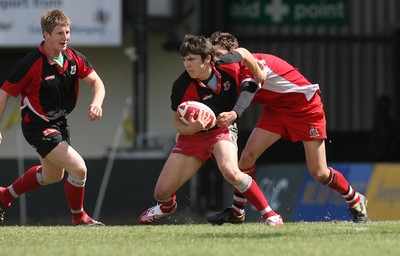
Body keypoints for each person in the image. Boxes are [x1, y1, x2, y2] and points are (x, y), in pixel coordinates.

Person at [206, 31, 368, 224]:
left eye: (219, 55)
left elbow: (248, 91)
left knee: (319, 172)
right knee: (247, 157)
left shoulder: (255, 65)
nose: (216, 61)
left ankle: (356, 200)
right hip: (277, 111)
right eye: (213, 56)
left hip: (306, 109)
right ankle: (237, 211)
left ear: (233, 52)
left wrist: (234, 113)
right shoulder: (227, 73)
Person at [139, 34, 283, 226]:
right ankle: (166, 207)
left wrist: (258, 74)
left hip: (221, 130)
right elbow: (177, 124)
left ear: (207, 58)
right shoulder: (181, 86)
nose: (186, 65)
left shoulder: (227, 65)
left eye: (191, 59)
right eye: (184, 60)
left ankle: (270, 214)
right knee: (161, 192)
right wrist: (191, 128)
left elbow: (245, 53)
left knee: (231, 171)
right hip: (192, 137)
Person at [0, 9, 106, 226]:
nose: (65, 37)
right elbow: (4, 93)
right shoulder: (29, 64)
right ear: (46, 35)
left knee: (52, 176)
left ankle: (4, 196)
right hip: (37, 125)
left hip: (58, 124)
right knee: (79, 168)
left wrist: (96, 103)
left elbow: (97, 82)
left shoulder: (74, 58)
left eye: (67, 32)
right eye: (59, 33)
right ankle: (80, 218)